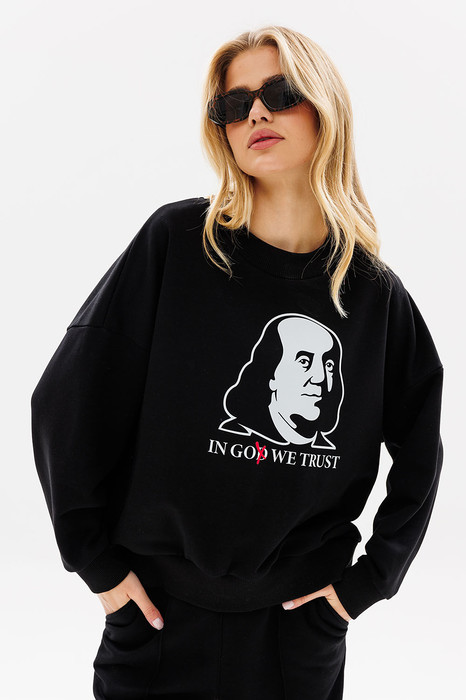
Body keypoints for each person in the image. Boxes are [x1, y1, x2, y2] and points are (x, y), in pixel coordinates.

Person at [30, 24, 444, 700]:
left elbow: (421, 451)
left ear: (325, 107)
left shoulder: (372, 295)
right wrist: (98, 566)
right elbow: (65, 402)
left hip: (296, 637)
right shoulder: (175, 244)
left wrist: (364, 587)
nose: (255, 113)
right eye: (234, 104)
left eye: (279, 93)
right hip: (155, 622)